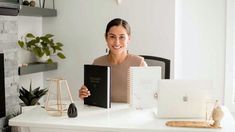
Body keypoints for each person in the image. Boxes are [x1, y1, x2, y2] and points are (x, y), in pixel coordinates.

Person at [79, 18, 147, 103]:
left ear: (129, 39)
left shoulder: (140, 64)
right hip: (105, 114)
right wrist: (85, 94)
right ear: (106, 38)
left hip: (131, 114)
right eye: (112, 37)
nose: (117, 42)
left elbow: (149, 99)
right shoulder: (97, 63)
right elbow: (93, 98)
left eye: (122, 37)